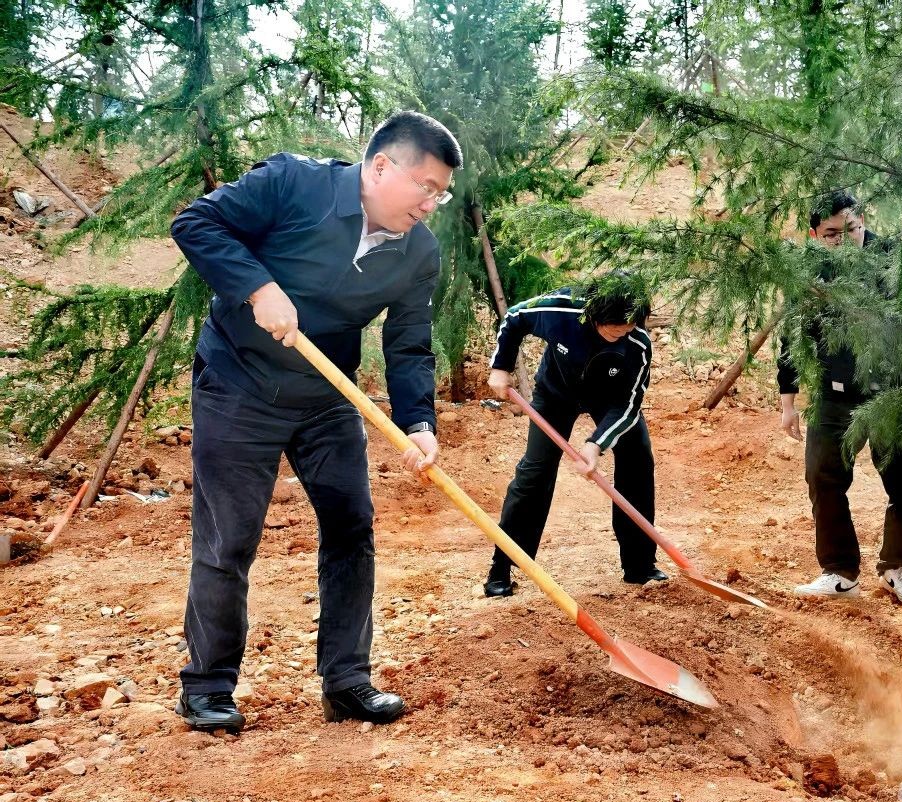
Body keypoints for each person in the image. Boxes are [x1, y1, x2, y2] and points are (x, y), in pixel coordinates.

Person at [169, 111, 462, 732]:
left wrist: (418, 422)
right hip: (239, 385)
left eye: (441, 194)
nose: (430, 205)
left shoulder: (419, 251)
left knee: (352, 527)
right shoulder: (293, 183)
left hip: (328, 397)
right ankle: (208, 686)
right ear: (380, 167)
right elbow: (195, 223)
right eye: (426, 187)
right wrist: (257, 286)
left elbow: (410, 343)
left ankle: (347, 682)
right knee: (229, 537)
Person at [780, 191, 902, 606]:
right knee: (823, 479)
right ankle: (839, 572)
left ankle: (897, 568)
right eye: (831, 234)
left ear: (862, 219)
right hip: (833, 396)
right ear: (814, 235)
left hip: (892, 394)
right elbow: (794, 336)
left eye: (850, 229)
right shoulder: (809, 270)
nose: (843, 240)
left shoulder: (893, 258)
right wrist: (788, 401)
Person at [483, 282, 665, 597]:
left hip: (610, 399)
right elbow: (514, 317)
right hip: (556, 393)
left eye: (628, 327)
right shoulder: (562, 308)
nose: (622, 332)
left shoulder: (637, 343)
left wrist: (596, 443)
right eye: (614, 327)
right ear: (595, 313)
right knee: (534, 472)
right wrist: (500, 367)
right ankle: (503, 565)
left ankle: (640, 565)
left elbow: (629, 404)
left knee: (637, 458)